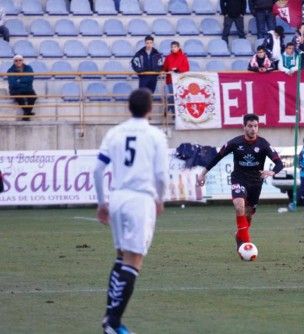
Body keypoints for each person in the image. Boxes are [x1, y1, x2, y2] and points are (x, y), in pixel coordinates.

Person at [94, 89, 168, 334]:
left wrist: (102, 202)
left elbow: (98, 170)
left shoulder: (115, 132)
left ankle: (109, 318)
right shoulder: (155, 135)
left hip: (117, 197)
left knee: (120, 257)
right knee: (133, 261)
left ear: (129, 107)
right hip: (140, 199)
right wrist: (160, 199)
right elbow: (161, 175)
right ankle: (113, 324)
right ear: (150, 108)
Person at [197, 114, 283, 253]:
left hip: (256, 182)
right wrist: (202, 173)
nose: (253, 129)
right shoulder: (235, 143)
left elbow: (279, 163)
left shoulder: (263, 144)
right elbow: (217, 157)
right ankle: (247, 244)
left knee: (248, 214)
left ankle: (239, 237)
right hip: (239, 178)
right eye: (250, 126)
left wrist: (273, 172)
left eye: (255, 126)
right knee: (239, 206)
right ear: (244, 127)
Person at [162, 41, 189, 113]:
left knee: (177, 96)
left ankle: (169, 107)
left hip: (180, 80)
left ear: (178, 47)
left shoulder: (183, 57)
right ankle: (174, 113)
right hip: (170, 80)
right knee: (173, 95)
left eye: (175, 47)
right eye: (172, 47)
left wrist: (178, 70)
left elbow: (186, 68)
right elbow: (165, 68)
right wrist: (166, 70)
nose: (173, 48)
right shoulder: (168, 57)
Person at [7, 55, 37, 121]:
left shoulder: (28, 68)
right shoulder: (10, 70)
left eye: (20, 60)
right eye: (16, 60)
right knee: (19, 97)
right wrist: (23, 81)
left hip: (27, 88)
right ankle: (27, 113)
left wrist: (19, 80)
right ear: (14, 62)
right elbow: (13, 83)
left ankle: (26, 114)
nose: (18, 62)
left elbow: (29, 79)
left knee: (33, 97)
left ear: (23, 60)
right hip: (15, 90)